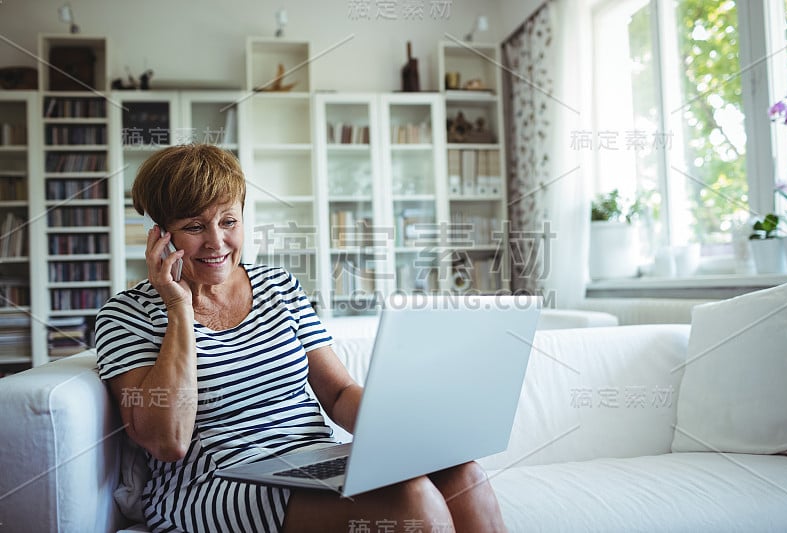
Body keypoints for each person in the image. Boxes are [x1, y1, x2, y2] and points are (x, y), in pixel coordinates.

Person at [95, 144, 507, 533]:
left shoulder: (279, 286)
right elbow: (168, 442)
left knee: (464, 475)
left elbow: (340, 392)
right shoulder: (125, 316)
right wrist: (179, 309)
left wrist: (407, 430)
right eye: (194, 227)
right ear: (159, 235)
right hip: (210, 483)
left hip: (310, 461)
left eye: (229, 221)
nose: (217, 242)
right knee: (411, 500)